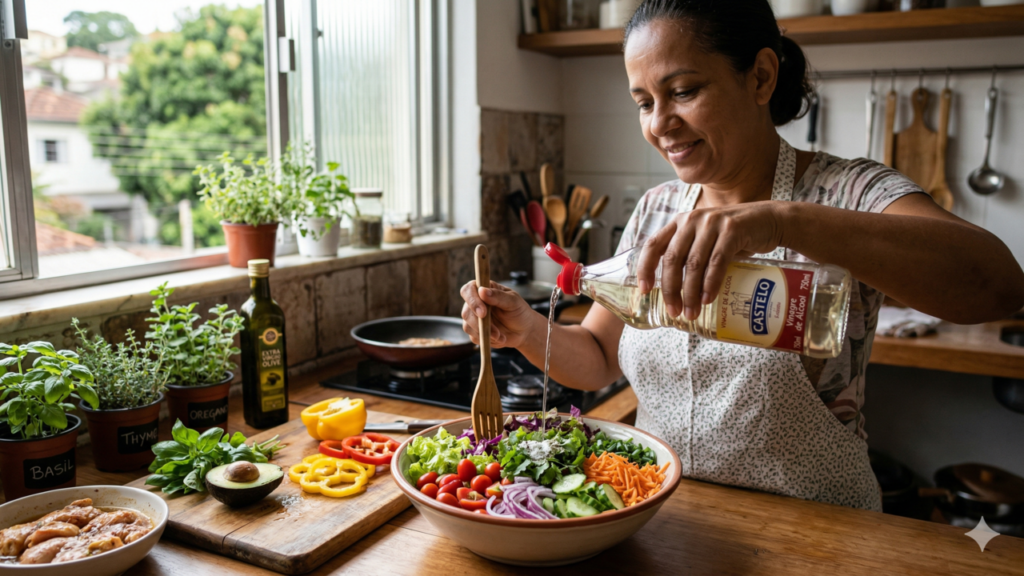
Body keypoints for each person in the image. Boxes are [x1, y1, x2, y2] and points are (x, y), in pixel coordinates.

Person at [460, 0, 1024, 510]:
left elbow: (997, 285)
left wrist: (779, 219)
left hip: (819, 536)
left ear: (759, 76)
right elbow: (599, 357)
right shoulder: (657, 210)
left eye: (682, 91)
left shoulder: (852, 193)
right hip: (668, 521)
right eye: (644, 102)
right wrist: (528, 330)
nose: (659, 124)